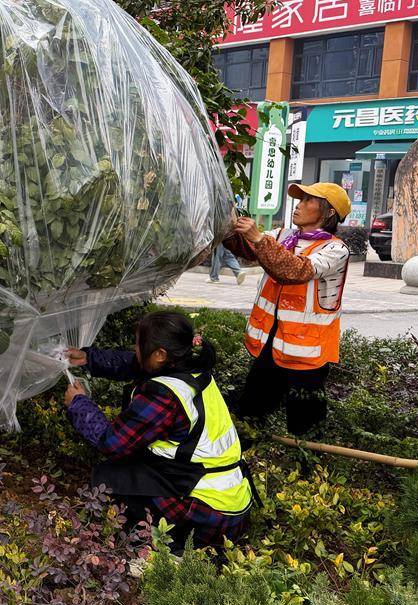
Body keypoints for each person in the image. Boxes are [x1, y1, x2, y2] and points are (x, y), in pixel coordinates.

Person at [63, 311, 253, 551]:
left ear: (160, 354)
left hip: (207, 515)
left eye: (138, 344)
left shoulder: (165, 396)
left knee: (113, 476)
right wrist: (88, 358)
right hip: (232, 501)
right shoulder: (192, 369)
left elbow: (111, 443)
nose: (136, 349)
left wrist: (79, 404)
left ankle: (163, 545)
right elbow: (136, 364)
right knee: (134, 465)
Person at [223, 182, 350, 439]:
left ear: (329, 213)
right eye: (299, 199)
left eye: (307, 201)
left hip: (307, 354)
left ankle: (305, 460)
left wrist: (259, 239)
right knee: (251, 412)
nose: (298, 205)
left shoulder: (336, 250)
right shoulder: (282, 236)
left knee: (305, 425)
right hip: (271, 344)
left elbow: (295, 270)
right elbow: (246, 249)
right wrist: (227, 225)